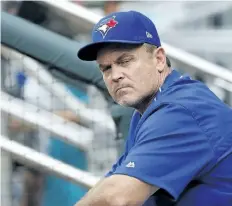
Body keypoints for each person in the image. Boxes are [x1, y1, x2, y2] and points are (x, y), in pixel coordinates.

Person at [75, 10, 232, 206]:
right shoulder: (147, 110)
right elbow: (111, 181)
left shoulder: (180, 110)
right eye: (106, 68)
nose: (115, 75)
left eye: (124, 61)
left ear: (158, 59)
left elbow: (118, 197)